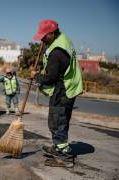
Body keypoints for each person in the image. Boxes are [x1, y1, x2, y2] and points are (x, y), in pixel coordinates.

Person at [30, 19, 83, 165]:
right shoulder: (62, 40)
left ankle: (64, 156)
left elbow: (51, 78)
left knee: (57, 121)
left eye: (44, 36)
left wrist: (36, 76)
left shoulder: (56, 52)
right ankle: (58, 147)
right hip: (68, 88)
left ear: (52, 33)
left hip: (62, 90)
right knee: (61, 120)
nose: (42, 39)